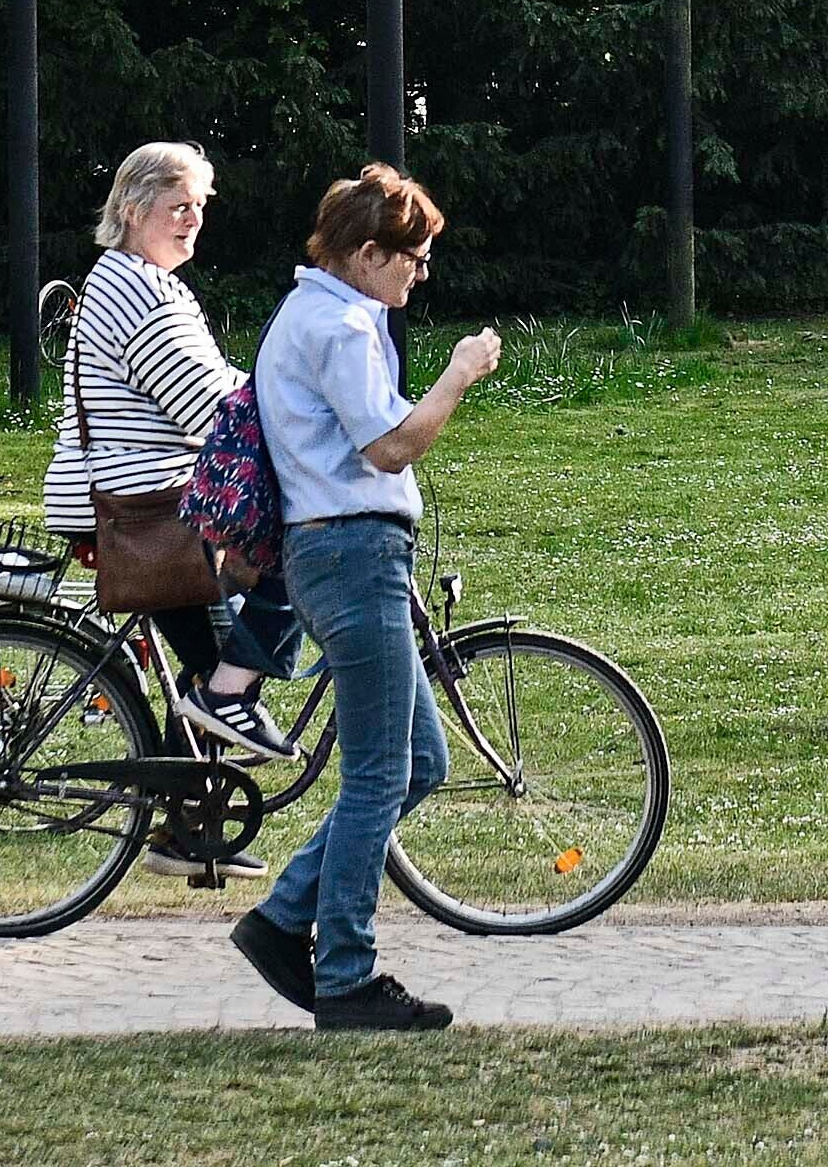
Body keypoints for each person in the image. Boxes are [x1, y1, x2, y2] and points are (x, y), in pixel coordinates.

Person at [229, 164, 500, 1034]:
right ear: (368, 252)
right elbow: (387, 449)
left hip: (338, 551)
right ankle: (345, 975)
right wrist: (457, 375)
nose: (420, 273)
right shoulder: (341, 325)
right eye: (413, 258)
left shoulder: (312, 312)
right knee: (381, 771)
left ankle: (281, 922)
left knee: (421, 760)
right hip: (351, 551)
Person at [41, 141, 301, 761]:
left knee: (209, 676)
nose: (194, 219)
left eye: (200, 205)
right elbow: (205, 407)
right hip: (152, 506)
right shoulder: (142, 292)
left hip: (149, 498)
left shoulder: (135, 281)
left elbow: (214, 388)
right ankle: (189, 812)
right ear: (133, 208)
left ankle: (190, 831)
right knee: (293, 557)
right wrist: (300, 414)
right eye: (178, 205)